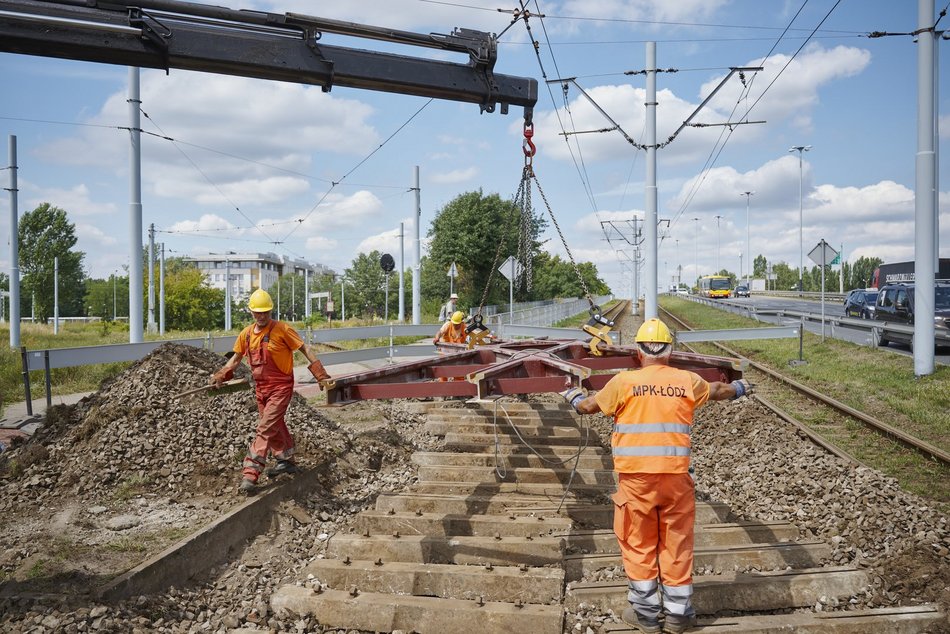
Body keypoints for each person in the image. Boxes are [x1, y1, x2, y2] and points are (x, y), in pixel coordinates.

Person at [560, 318, 751, 634]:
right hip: (676, 479)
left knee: (638, 543)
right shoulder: (685, 381)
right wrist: (739, 389)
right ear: (670, 350)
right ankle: (678, 615)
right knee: (676, 542)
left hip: (636, 482)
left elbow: (590, 406)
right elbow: (717, 390)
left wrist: (574, 398)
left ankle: (646, 615)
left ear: (637, 350)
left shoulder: (624, 382)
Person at [210, 288, 333, 494]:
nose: (261, 316)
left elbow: (305, 349)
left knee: (265, 428)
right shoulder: (246, 334)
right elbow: (236, 358)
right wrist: (222, 374)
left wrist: (320, 373)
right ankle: (286, 459)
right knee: (273, 424)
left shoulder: (282, 329)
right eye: (258, 312)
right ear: (251, 312)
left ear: (271, 311)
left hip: (281, 387)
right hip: (261, 389)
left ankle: (251, 471)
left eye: (265, 312)